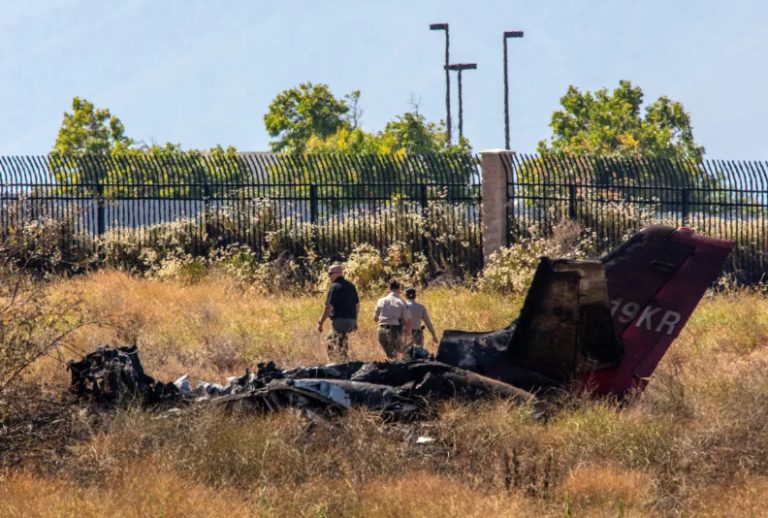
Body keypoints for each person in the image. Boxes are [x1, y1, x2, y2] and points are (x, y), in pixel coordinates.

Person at [317, 264, 359, 362]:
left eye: (330, 273)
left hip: (340, 321)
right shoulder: (351, 286)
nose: (329, 276)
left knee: (330, 341)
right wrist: (355, 321)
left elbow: (329, 307)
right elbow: (357, 305)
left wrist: (321, 322)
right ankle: (344, 361)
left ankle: (334, 363)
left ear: (338, 273)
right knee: (342, 340)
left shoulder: (334, 287)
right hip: (351, 321)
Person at [373, 280, 412, 359]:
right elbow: (407, 320)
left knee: (390, 355)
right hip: (394, 330)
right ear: (399, 289)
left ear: (389, 288)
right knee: (395, 356)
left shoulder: (380, 300)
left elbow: (375, 318)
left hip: (381, 331)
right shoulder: (401, 302)